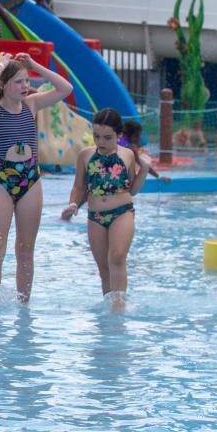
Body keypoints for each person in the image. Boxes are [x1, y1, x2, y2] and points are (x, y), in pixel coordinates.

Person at [0, 53, 73, 304]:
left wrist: (33, 65)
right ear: (3, 84)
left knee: (26, 249)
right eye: (18, 82)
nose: (25, 86)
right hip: (1, 181)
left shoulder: (31, 104)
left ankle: (23, 305)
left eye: (27, 81)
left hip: (31, 179)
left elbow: (66, 88)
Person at [62, 109, 150, 312]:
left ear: (119, 135)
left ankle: (119, 308)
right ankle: (109, 308)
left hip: (122, 211)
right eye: (97, 136)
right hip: (95, 217)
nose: (101, 142)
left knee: (117, 257)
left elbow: (133, 190)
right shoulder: (86, 155)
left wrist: (144, 170)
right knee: (104, 268)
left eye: (107, 137)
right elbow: (78, 186)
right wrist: (73, 204)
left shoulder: (127, 155)